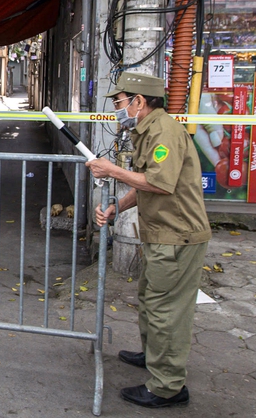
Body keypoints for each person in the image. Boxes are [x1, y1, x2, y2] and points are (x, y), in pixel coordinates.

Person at [85, 72, 211, 409]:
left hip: (177, 236)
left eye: (120, 102)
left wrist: (111, 170)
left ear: (139, 101)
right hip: (162, 234)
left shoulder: (163, 131)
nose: (117, 109)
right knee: (151, 300)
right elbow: (145, 185)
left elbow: (160, 183)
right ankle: (154, 357)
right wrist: (116, 207)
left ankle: (167, 387)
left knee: (166, 311)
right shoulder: (147, 130)